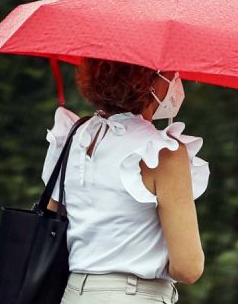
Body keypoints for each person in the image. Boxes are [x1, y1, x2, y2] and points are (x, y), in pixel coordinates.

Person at [41, 58, 209, 303]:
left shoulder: (73, 135)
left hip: (72, 293)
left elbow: (53, 217)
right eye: (171, 73)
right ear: (151, 81)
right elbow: (188, 268)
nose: (176, 80)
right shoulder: (162, 152)